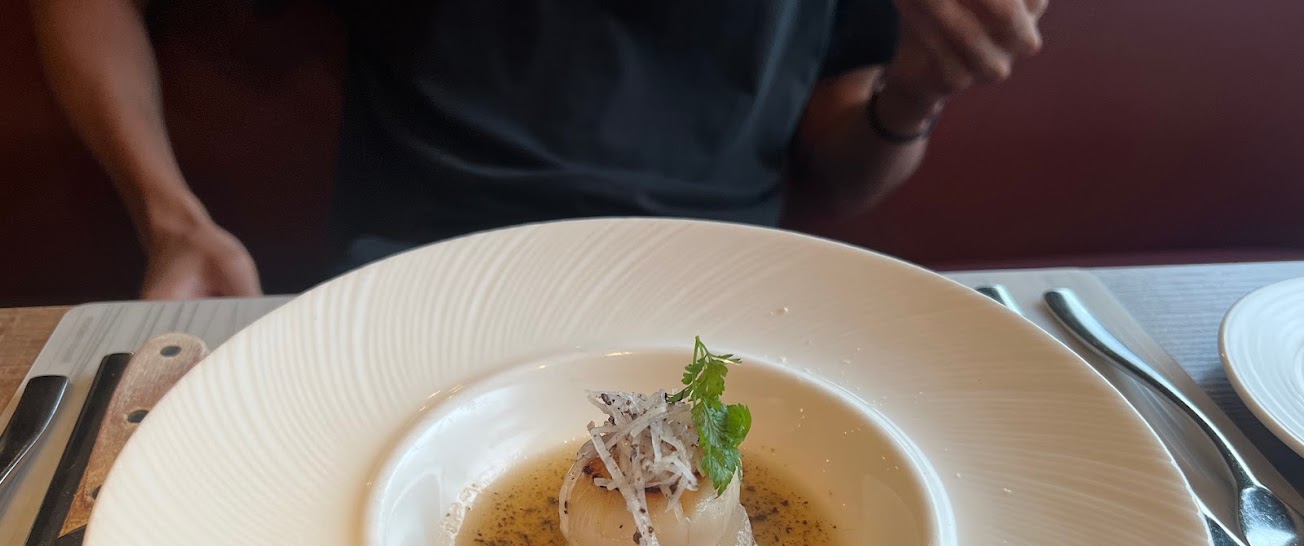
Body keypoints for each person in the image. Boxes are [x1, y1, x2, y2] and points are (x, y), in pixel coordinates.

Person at [30, 0, 1046, 300]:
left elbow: (842, 163)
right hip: (420, 276)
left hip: (724, 290)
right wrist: (172, 219)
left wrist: (918, 90)